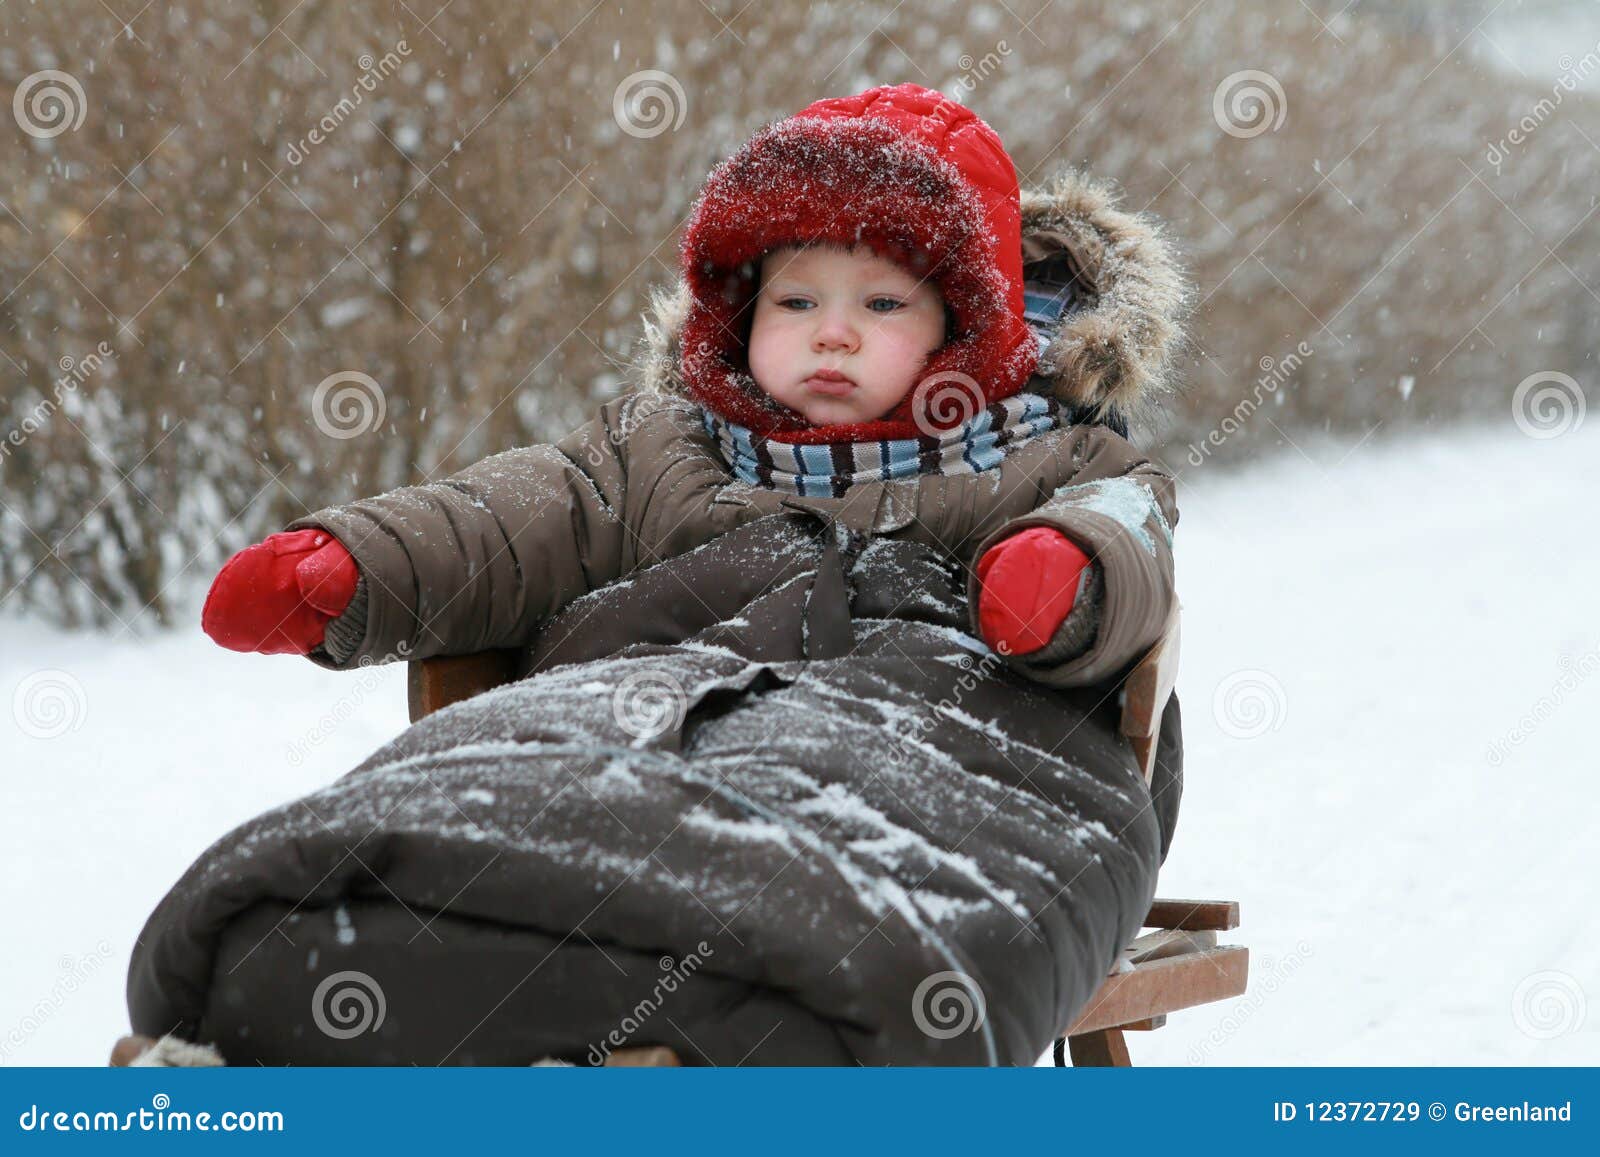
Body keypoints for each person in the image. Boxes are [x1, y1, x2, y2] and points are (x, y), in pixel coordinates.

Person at [200, 82, 1178, 685]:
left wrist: (1062, 568)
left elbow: (1121, 528)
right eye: (795, 303)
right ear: (740, 313)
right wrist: (350, 569)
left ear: (968, 331)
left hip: (897, 768)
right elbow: (508, 518)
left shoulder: (1047, 455)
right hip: (631, 757)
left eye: (882, 306)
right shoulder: (661, 448)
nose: (830, 333)